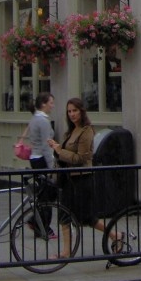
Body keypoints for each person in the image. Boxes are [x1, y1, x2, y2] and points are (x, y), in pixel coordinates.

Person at [47, 97, 122, 256]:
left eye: (75, 110)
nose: (72, 114)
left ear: (82, 111)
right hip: (68, 178)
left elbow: (80, 158)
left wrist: (59, 150)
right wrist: (57, 149)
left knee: (87, 218)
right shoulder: (71, 130)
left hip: (82, 178)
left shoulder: (86, 131)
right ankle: (66, 252)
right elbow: (67, 155)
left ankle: (116, 235)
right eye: (69, 111)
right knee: (64, 215)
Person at [25, 92, 56, 239]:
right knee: (47, 195)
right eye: (51, 102)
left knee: (43, 193)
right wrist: (51, 167)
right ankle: (43, 226)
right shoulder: (43, 121)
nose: (52, 105)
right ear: (43, 104)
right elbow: (46, 145)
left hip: (35, 158)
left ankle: (35, 221)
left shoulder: (34, 119)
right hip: (42, 159)